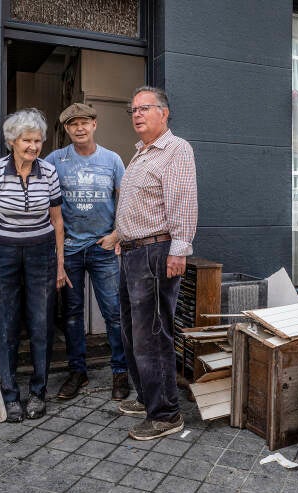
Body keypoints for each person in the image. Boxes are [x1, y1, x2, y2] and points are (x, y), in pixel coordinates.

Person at [0, 108, 68, 423]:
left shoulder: (49, 172)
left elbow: (57, 221)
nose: (34, 146)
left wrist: (61, 264)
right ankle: (10, 395)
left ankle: (38, 393)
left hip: (41, 253)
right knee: (5, 324)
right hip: (2, 253)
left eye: (38, 140)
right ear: (13, 141)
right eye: (27, 140)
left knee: (41, 323)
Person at [115, 86, 197, 441]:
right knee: (132, 331)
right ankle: (150, 396)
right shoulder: (141, 153)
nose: (136, 114)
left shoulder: (175, 150)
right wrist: (120, 237)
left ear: (164, 113)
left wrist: (179, 249)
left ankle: (165, 413)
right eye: (132, 109)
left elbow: (182, 203)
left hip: (156, 253)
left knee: (152, 335)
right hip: (132, 251)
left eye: (144, 108)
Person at [45, 103, 129, 402]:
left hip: (102, 249)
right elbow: (46, 203)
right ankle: (77, 371)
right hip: (68, 250)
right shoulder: (55, 160)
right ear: (66, 130)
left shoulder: (112, 160)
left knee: (115, 314)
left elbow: (126, 198)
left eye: (84, 122)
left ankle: (121, 372)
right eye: (72, 125)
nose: (79, 128)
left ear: (94, 124)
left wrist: (118, 234)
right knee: (71, 315)